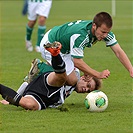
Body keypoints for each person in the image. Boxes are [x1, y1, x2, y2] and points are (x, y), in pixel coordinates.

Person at [40, 11, 133, 87]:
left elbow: (118, 52)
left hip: (65, 47)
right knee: (70, 80)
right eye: (103, 32)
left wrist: (130, 69)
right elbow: (77, 61)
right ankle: (40, 69)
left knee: (73, 78)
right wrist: (97, 74)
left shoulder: (103, 33)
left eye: (107, 32)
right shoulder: (82, 36)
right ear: (94, 26)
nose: (105, 35)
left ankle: (53, 77)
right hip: (50, 44)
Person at [0, 42, 101, 110]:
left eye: (88, 91)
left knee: (30, 105)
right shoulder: (75, 75)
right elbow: (71, 62)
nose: (85, 89)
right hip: (48, 83)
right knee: (62, 78)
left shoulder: (70, 89)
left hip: (45, 98)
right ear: (84, 78)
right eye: (88, 85)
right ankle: (54, 54)